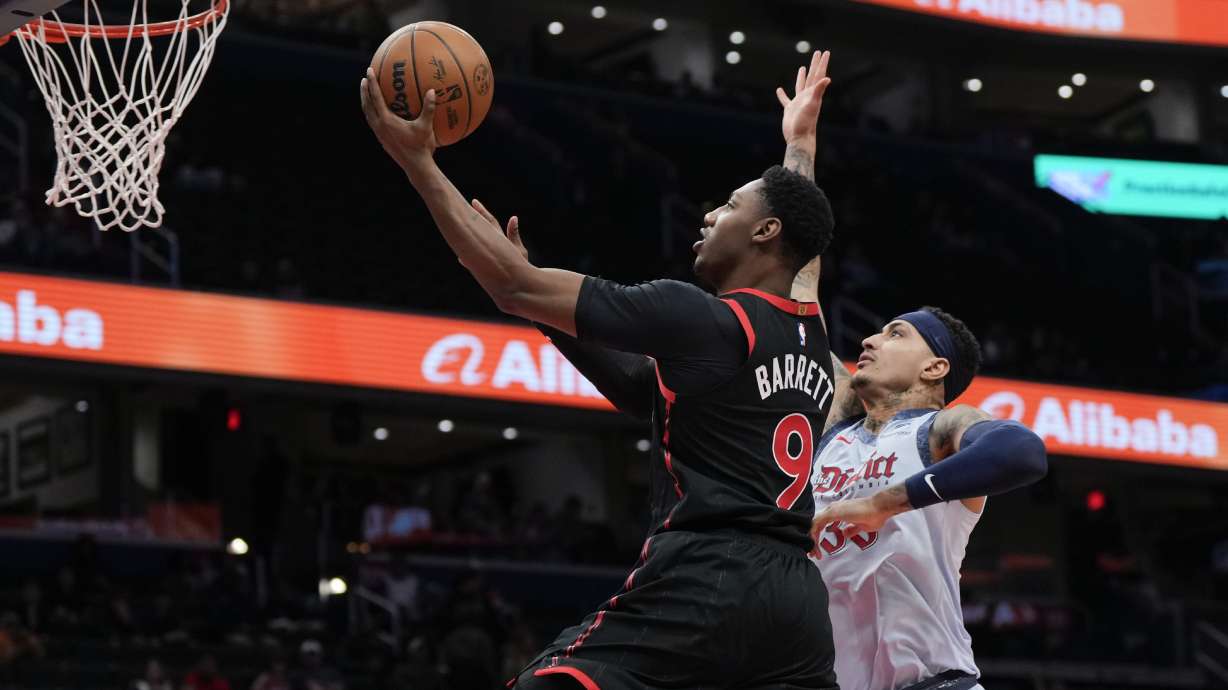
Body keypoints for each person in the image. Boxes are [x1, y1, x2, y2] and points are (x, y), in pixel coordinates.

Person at [363, 52, 840, 689]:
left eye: (727, 207)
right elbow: (635, 385)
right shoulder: (811, 333)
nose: (708, 215)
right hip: (797, 605)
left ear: (765, 231)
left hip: (706, 575)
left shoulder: (699, 318)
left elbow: (513, 285)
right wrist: (799, 144)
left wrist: (417, 162)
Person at [806, 308, 1049, 690]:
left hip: (935, 682)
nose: (869, 340)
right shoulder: (834, 434)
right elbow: (796, 303)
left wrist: (882, 504)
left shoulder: (939, 431)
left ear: (934, 368)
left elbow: (1022, 452)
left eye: (896, 334)